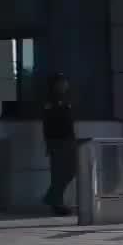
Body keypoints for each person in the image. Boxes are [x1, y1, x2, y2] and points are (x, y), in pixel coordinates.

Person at [42, 73, 77, 216]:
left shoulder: (66, 99)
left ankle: (52, 198)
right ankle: (56, 203)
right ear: (56, 84)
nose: (65, 85)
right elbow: (47, 123)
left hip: (68, 140)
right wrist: (48, 143)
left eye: (65, 82)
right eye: (62, 82)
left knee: (71, 170)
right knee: (59, 173)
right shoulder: (51, 100)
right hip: (57, 141)